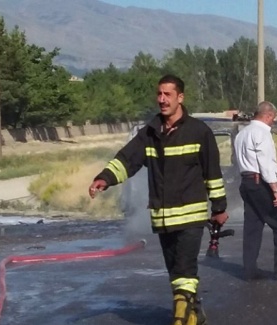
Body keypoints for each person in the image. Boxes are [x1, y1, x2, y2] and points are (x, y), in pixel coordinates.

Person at [88, 74, 229, 325]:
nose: (162, 100)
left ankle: (181, 318)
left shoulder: (199, 132)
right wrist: (105, 178)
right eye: (159, 94)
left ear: (180, 98)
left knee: (184, 271)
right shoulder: (151, 132)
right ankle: (195, 312)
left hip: (191, 216)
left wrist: (219, 208)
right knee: (176, 271)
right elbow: (127, 159)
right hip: (163, 217)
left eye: (168, 95)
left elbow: (212, 174)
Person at [233, 101, 277, 281]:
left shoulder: (242, 133)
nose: (274, 121)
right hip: (260, 183)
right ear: (268, 115)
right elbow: (265, 163)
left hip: (247, 182)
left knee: (253, 227)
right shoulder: (261, 133)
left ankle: (250, 270)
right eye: (274, 118)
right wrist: (276, 190)